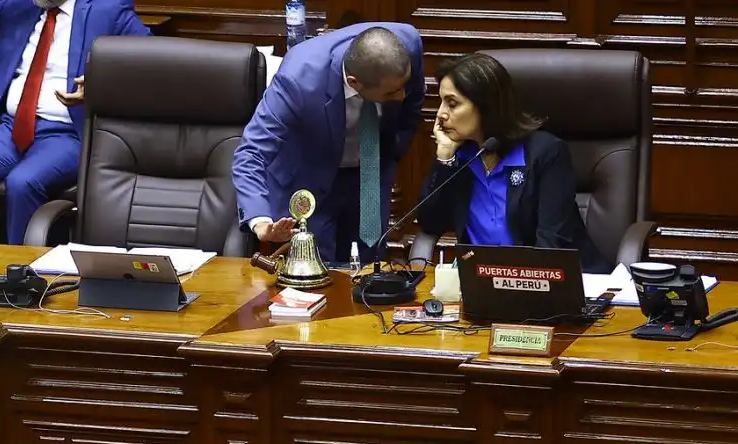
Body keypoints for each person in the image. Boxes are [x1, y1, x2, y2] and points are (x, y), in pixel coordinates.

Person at [0, 0, 148, 244]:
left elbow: (148, 61)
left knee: (23, 182)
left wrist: (101, 83)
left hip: (68, 133)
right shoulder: (18, 5)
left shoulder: (106, 9)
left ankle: (24, 274)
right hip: (11, 128)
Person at [233, 23, 424, 263]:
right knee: (316, 271)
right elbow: (251, 154)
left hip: (370, 171)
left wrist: (393, 151)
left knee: (366, 267)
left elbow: (413, 101)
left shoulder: (408, 45)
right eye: (390, 93)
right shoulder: (298, 80)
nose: (400, 96)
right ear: (354, 83)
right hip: (311, 178)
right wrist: (260, 220)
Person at [415, 53, 607, 272]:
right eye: (441, 102)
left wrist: (516, 286)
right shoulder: (458, 156)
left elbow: (552, 244)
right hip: (484, 283)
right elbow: (430, 223)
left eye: (452, 104)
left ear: (485, 106)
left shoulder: (545, 153)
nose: (440, 115)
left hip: (560, 283)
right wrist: (444, 159)